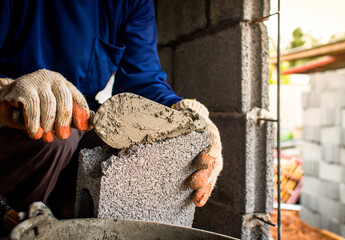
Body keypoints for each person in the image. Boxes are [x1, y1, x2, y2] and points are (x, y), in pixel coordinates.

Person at [0, 0, 223, 226]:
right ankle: (15, 225)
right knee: (54, 138)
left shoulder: (131, 4)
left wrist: (188, 116)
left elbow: (144, 82)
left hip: (82, 115)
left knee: (132, 149)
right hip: (13, 112)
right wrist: (5, 89)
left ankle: (74, 227)